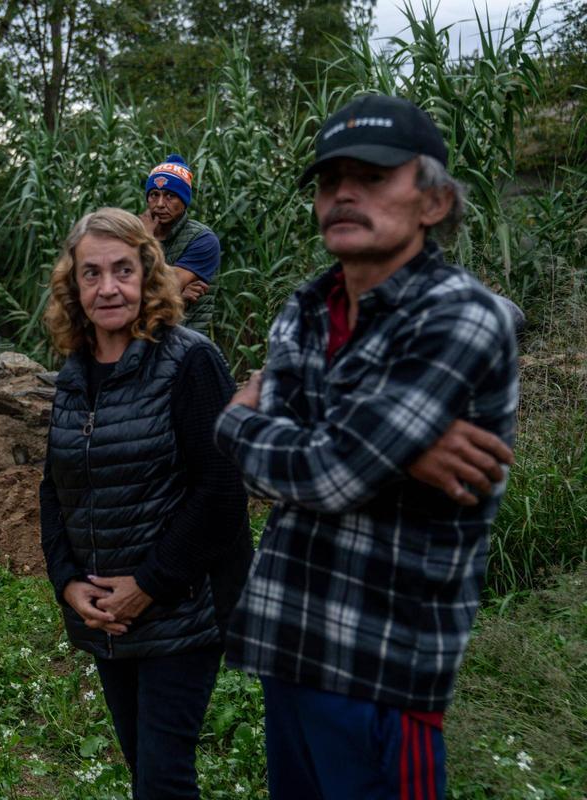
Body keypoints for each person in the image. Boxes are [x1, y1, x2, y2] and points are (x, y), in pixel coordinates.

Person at [213, 95, 519, 799]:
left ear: (435, 202)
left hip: (380, 666)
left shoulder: (461, 315)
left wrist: (233, 420)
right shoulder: (307, 305)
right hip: (289, 645)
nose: (344, 193)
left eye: (374, 176)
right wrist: (383, 445)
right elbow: (312, 464)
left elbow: (325, 474)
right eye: (329, 180)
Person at [39, 207, 253, 798]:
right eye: (91, 274)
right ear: (73, 286)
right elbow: (53, 488)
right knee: (143, 766)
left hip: (181, 610)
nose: (108, 287)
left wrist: (149, 584)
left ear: (148, 274)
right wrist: (67, 582)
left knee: (162, 779)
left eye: (123, 270)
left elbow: (222, 491)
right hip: (107, 613)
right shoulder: (73, 374)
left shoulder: (190, 361)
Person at [140, 154, 222, 336]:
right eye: (154, 195)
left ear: (184, 202)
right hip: (138, 338)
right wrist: (179, 297)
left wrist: (145, 242)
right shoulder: (131, 234)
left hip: (185, 341)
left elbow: (165, 288)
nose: (160, 204)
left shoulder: (202, 239)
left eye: (170, 196)